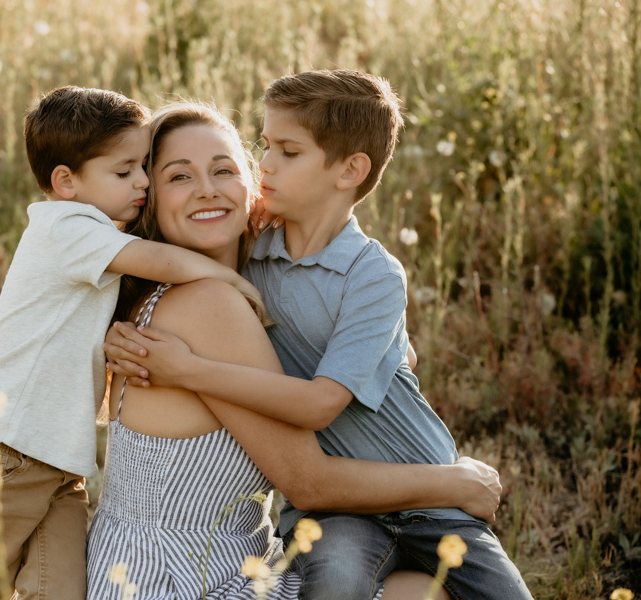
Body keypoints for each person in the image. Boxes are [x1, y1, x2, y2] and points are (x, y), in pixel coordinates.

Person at [105, 71, 533, 600]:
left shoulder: (242, 276)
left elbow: (398, 356)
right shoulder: (211, 302)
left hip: (164, 563)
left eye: (224, 170)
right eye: (178, 177)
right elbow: (308, 481)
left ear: (249, 188)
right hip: (185, 578)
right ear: (147, 199)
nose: (208, 189)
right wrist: (456, 482)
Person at [0, 86, 262, 600]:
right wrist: (237, 283)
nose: (141, 184)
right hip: (4, 451)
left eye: (142, 169)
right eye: (124, 171)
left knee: (62, 588)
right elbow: (162, 262)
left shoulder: (94, 232)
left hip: (59, 462)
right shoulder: (67, 225)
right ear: (65, 181)